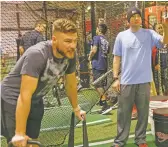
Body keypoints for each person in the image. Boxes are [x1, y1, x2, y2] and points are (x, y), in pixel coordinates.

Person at [1, 18, 86, 147]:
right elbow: (24, 96)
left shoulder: (70, 54)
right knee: (18, 143)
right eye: (68, 41)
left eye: (75, 41)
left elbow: (70, 84)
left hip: (36, 99)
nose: (73, 46)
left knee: (33, 141)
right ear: (54, 39)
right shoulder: (37, 54)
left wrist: (76, 108)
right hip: (12, 98)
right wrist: (19, 132)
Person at [112, 7, 168, 147]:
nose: (136, 18)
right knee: (123, 114)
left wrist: (166, 27)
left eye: (138, 16)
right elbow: (116, 58)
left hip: (144, 81)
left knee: (143, 113)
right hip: (126, 82)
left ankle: (141, 140)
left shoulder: (149, 34)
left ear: (140, 19)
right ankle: (120, 141)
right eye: (133, 17)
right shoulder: (121, 36)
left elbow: (164, 42)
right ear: (128, 20)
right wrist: (115, 78)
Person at [88, 23, 111, 115]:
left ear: (99, 29)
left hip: (97, 64)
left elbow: (94, 50)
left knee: (97, 85)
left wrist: (89, 57)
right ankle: (102, 101)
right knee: (100, 84)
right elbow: (107, 51)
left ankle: (105, 104)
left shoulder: (96, 38)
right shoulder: (106, 40)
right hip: (104, 64)